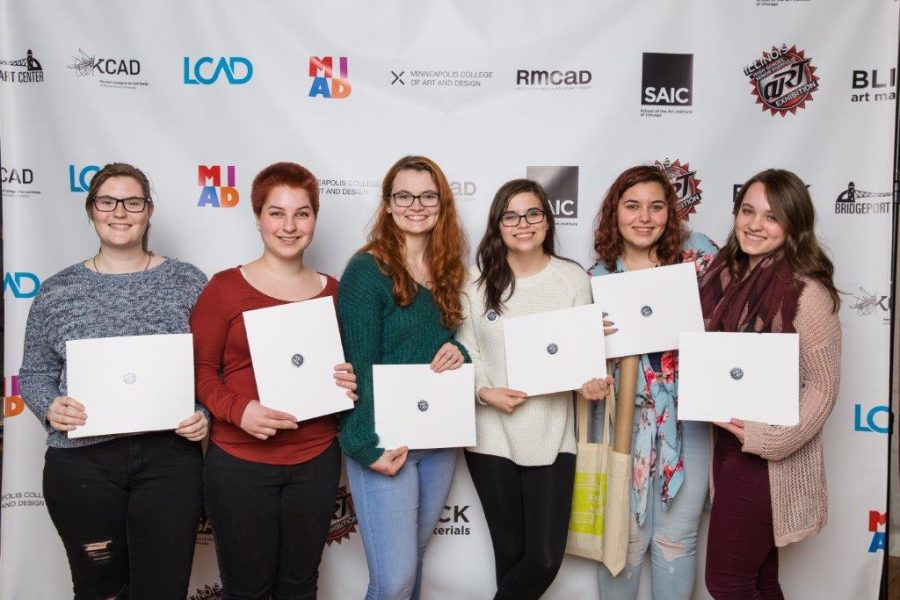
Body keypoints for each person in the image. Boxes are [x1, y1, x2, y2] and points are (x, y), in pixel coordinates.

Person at [19, 162, 209, 599]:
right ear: (91, 210)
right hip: (82, 463)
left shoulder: (188, 282)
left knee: (163, 589)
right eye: (107, 202)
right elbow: (34, 373)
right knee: (98, 589)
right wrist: (49, 405)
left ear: (149, 211)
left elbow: (210, 367)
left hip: (169, 461)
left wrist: (206, 413)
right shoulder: (57, 290)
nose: (119, 212)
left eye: (132, 202)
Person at [191, 162, 358, 600]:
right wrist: (237, 409)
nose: (289, 226)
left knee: (300, 586)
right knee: (246, 590)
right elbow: (200, 371)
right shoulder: (224, 288)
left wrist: (348, 379)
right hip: (240, 462)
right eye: (276, 212)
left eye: (302, 213)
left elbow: (349, 371)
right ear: (258, 217)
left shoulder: (335, 293)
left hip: (315, 459)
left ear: (315, 219)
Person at [456, 178, 611, 600]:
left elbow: (582, 360)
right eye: (511, 216)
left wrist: (592, 383)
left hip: (553, 432)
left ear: (546, 220)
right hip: (491, 434)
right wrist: (483, 392)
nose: (522, 224)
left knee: (543, 558)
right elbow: (463, 353)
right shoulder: (474, 283)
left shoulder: (572, 280)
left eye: (532, 214)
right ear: (498, 224)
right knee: (510, 554)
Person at [701, 169, 841, 599]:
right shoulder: (723, 276)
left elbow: (823, 388)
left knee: (726, 581)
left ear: (793, 225)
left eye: (771, 216)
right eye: (747, 211)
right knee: (758, 578)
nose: (754, 225)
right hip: (727, 443)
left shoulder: (806, 292)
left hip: (767, 455)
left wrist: (772, 439)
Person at [338, 155, 469, 600]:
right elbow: (358, 363)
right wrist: (361, 445)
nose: (417, 205)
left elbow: (450, 343)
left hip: (437, 439)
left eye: (427, 195)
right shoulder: (366, 270)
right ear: (389, 205)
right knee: (392, 581)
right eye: (405, 196)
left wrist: (460, 351)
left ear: (441, 203)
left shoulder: (448, 268)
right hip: (384, 441)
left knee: (411, 571)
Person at [589, 165, 718, 599]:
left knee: (676, 541)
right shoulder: (598, 277)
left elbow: (735, 318)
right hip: (627, 424)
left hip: (690, 419)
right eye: (632, 206)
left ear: (670, 213)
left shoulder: (698, 257)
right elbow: (585, 363)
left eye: (656, 206)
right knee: (622, 545)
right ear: (615, 213)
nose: (644, 217)